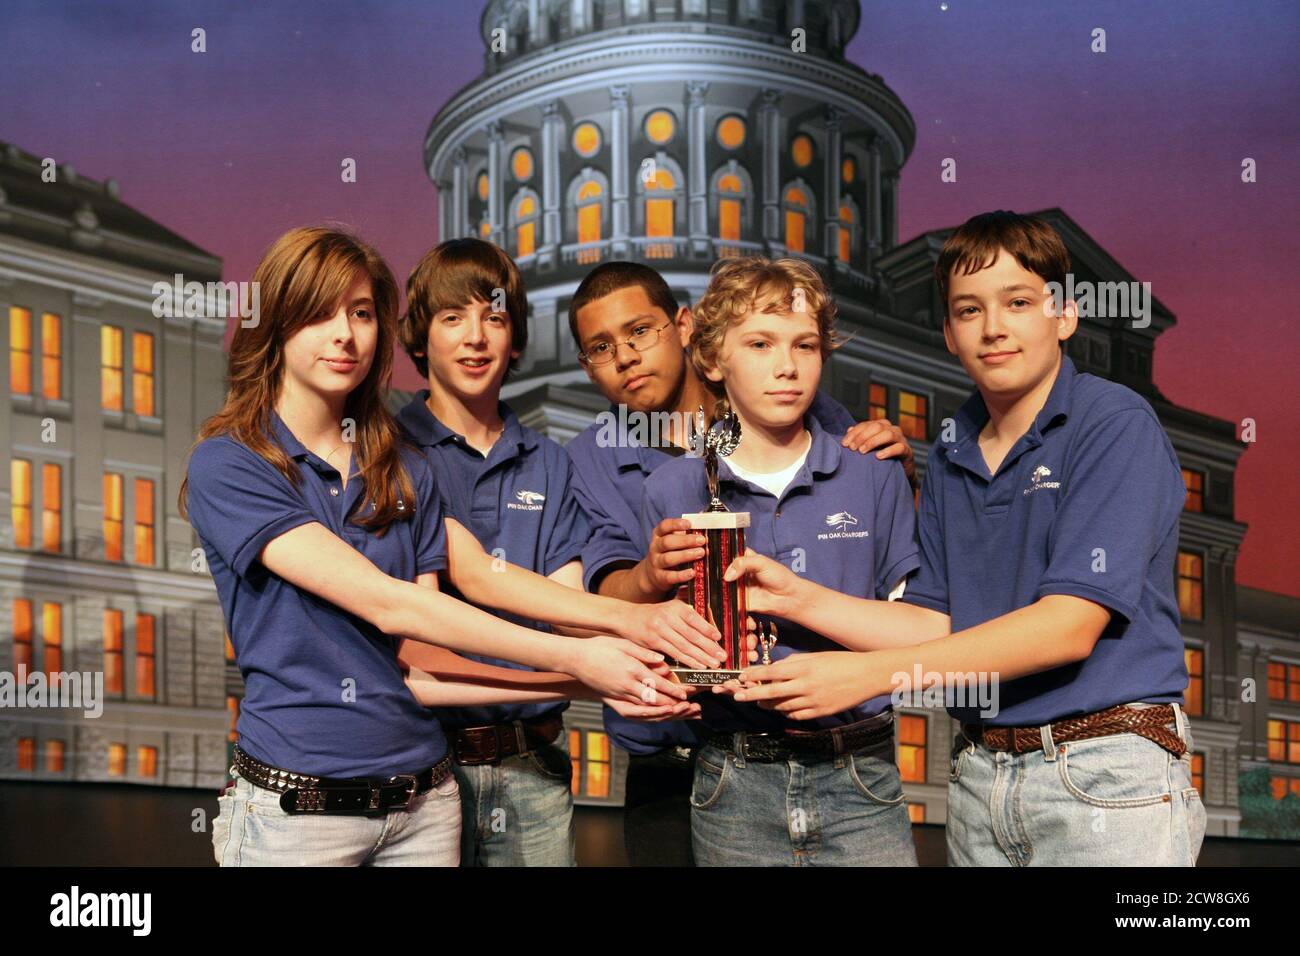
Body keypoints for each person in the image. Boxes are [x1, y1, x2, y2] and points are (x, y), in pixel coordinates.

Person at [183, 226, 691, 866]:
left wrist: (627, 651)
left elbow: (446, 622)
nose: (344, 333)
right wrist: (596, 657)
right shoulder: (231, 463)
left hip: (427, 799)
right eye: (318, 313)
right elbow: (401, 606)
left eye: (361, 313)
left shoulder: (399, 469)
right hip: (302, 805)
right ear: (277, 323)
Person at [728, 211, 1206, 867]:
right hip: (982, 775)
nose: (994, 327)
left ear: (1065, 315)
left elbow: (1068, 625)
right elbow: (934, 621)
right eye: (968, 309)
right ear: (949, 333)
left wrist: (869, 675)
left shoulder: (1112, 421)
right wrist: (794, 598)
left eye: (1018, 302)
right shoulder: (952, 449)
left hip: (1106, 770)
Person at [565, 261, 917, 865]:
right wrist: (651, 577)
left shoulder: (813, 414)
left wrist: (894, 469)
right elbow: (600, 603)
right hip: (684, 754)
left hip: (842, 753)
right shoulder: (597, 458)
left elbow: (889, 578)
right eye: (602, 347)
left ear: (683, 328)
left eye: (640, 332)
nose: (625, 356)